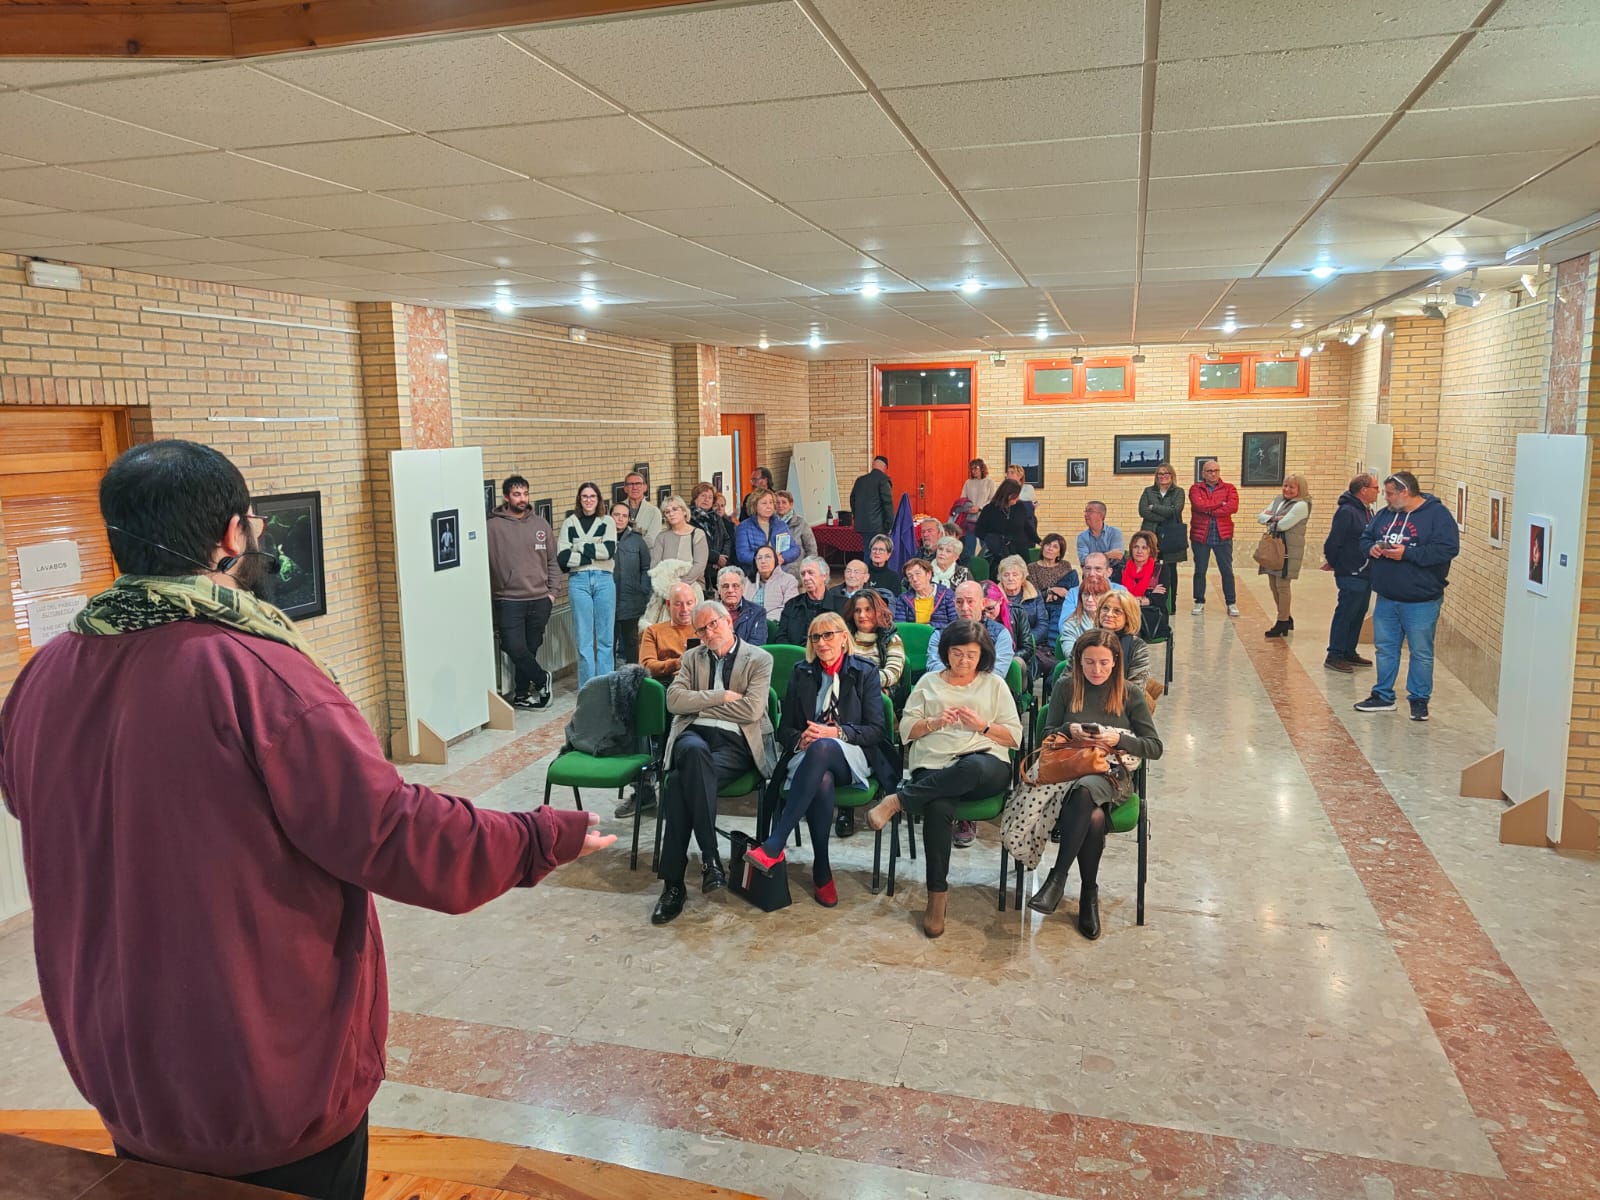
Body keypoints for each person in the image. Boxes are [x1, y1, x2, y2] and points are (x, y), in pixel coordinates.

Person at [0, 440, 611, 1199]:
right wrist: (536, 836)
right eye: (253, 523)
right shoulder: (252, 671)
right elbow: (387, 829)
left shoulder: (43, 676)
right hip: (259, 1072)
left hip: (125, 1064)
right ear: (231, 536)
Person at [864, 621, 1021, 938]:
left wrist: (982, 726)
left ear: (983, 656)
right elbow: (906, 732)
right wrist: (933, 723)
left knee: (971, 768)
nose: (964, 661)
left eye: (971, 655)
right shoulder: (928, 682)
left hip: (984, 764)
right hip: (934, 764)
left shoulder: (994, 685)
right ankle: (937, 896)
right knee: (937, 808)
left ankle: (900, 800)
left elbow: (1014, 737)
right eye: (957, 653)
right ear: (946, 652)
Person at [1014, 628, 1163, 940]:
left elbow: (1154, 747)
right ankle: (1088, 895)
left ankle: (1057, 878)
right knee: (1093, 817)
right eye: (1089, 663)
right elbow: (1048, 733)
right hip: (1069, 768)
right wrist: (1072, 730)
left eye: (1104, 663)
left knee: (1086, 792)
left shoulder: (1130, 694)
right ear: (1078, 662)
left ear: (1116, 663)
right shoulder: (1067, 686)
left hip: (1112, 774)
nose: (1097, 670)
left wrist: (1117, 737)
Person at [744, 612, 894, 904]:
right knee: (822, 777)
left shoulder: (864, 671)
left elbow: (876, 730)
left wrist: (835, 732)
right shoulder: (802, 672)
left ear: (843, 637)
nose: (822, 642)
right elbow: (784, 728)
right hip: (807, 755)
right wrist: (800, 738)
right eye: (816, 637)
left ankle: (775, 843)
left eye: (828, 635)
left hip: (852, 754)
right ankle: (822, 869)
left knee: (824, 747)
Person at [651, 601, 775, 924]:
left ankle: (673, 886)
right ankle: (710, 857)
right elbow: (674, 701)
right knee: (691, 753)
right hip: (694, 736)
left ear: (728, 621)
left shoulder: (760, 659)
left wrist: (698, 704)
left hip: (736, 744)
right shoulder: (692, 658)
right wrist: (719, 697)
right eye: (702, 629)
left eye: (713, 624)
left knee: (679, 785)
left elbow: (751, 711)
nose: (709, 633)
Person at [1354, 471, 1461, 722]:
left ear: (1405, 492)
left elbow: (1447, 549)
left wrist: (1407, 554)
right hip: (1387, 596)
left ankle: (1419, 699)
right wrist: (1372, 548)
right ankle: (1383, 695)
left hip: (1421, 599)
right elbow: (1366, 537)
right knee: (1385, 648)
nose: (1385, 498)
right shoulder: (1386, 514)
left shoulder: (1437, 515)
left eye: (1390, 493)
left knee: (1420, 651)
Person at [487, 473, 556, 710]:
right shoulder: (492, 527)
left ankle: (520, 694)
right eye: (517, 494)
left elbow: (552, 562)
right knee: (514, 646)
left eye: (525, 493)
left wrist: (552, 593)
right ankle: (541, 679)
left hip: (539, 599)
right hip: (508, 600)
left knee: (529, 649)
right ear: (506, 497)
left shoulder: (540, 525)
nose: (522, 498)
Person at [557, 481, 617, 688]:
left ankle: (605, 687)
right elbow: (563, 558)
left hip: (603, 580)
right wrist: (593, 552)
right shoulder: (570, 523)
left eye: (592, 496)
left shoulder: (607, 521)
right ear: (579, 499)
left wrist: (579, 546)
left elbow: (608, 551)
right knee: (584, 641)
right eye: (585, 497)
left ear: (598, 499)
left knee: (605, 639)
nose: (588, 500)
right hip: (579, 582)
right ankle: (588, 689)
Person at [1322, 473, 1379, 673]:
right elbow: (1333, 541)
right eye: (1375, 487)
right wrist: (1339, 564)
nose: (1377, 491)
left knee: (1358, 612)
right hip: (1351, 572)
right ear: (1363, 490)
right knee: (1346, 612)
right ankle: (1335, 653)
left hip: (1365, 572)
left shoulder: (1367, 511)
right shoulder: (1347, 511)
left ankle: (1349, 651)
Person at [1257, 473, 1312, 639]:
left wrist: (1272, 519)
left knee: (1282, 585)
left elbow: (1283, 525)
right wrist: (1274, 517)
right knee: (1273, 583)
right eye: (1285, 486)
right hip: (1274, 548)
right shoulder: (1279, 500)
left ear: (1300, 489)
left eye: (1292, 487)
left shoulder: (1302, 505)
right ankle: (1286, 616)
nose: (1287, 490)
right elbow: (1260, 517)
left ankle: (1282, 621)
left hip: (1288, 549)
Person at [928, 580, 1015, 683]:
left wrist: (967, 684)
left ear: (983, 603)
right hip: (947, 690)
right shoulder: (940, 634)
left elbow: (997, 673)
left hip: (984, 692)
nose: (964, 608)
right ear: (954, 604)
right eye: (959, 602)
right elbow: (935, 668)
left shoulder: (1001, 634)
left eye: (970, 601)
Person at [1189, 458, 1240, 617]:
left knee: (1226, 570)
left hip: (1222, 536)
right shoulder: (1195, 488)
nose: (1213, 474)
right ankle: (1199, 601)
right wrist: (1220, 504)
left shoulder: (1229, 488)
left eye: (1215, 471)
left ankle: (1231, 603)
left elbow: (1233, 507)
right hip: (1201, 536)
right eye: (1209, 471)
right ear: (1203, 473)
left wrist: (1210, 509)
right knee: (1200, 570)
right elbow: (1199, 506)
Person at [1056, 552, 1129, 653]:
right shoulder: (1074, 592)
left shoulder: (1121, 591)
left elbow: (1129, 624)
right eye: (1088, 568)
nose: (1092, 573)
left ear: (1109, 572)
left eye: (1098, 569)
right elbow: (1064, 626)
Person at [611, 501, 652, 666]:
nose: (620, 519)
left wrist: (643, 589)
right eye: (616, 515)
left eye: (624, 516)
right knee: (608, 642)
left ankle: (633, 675)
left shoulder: (637, 541)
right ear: (610, 516)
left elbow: (646, 567)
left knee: (631, 641)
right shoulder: (602, 539)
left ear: (629, 519)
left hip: (632, 599)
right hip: (608, 599)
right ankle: (609, 677)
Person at [1138, 461, 1187, 597]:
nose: (1162, 476)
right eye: (1160, 474)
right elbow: (1143, 511)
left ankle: (1171, 601)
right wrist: (1165, 515)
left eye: (1166, 473)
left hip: (1170, 536)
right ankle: (1150, 596)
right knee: (1150, 567)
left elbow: (1176, 511)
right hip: (1151, 534)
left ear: (1171, 475)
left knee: (1170, 569)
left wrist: (1153, 507)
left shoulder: (1178, 492)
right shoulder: (1148, 491)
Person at [996, 555, 1050, 678]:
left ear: (1023, 577)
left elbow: (1042, 624)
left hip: (1031, 645)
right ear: (1000, 578)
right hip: (1001, 646)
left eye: (1015, 575)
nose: (1010, 578)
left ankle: (1023, 693)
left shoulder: (1034, 595)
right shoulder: (994, 597)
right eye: (1006, 575)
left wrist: (1028, 641)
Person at [846, 589, 906, 700]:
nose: (862, 615)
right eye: (857, 611)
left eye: (868, 610)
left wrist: (861, 681)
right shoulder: (844, 637)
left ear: (878, 611)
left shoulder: (892, 638)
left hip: (876, 691)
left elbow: (892, 674)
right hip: (847, 690)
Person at [640, 582, 698, 682]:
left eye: (689, 603)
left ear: (695, 603)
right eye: (678, 604)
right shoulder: (653, 631)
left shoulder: (706, 629)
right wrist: (676, 663)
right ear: (668, 604)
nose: (685, 609)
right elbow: (646, 665)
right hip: (667, 683)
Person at [652, 494, 709, 595]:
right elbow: (655, 565)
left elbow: (699, 565)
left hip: (692, 588)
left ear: (684, 511)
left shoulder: (697, 534)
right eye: (667, 512)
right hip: (666, 591)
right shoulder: (661, 537)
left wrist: (681, 585)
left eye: (675, 509)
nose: (671, 514)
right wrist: (666, 586)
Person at [1095, 591, 1150, 689]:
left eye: (1117, 611)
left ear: (1128, 617)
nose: (1109, 614)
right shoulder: (1085, 640)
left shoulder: (1137, 646)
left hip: (1122, 701)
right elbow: (1069, 678)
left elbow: (1136, 690)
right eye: (1105, 608)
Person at [736, 487, 799, 573]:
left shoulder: (781, 525)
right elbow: (742, 555)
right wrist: (765, 559)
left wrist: (781, 558)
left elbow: (794, 549)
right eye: (764, 503)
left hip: (780, 572)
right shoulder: (744, 527)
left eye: (771, 502)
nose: (769, 506)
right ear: (754, 505)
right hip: (755, 575)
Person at [1119, 530, 1168, 640]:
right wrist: (1148, 595)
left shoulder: (1160, 569)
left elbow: (1160, 598)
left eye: (1144, 548)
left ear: (1151, 550)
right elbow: (1117, 595)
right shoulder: (1122, 569)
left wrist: (1134, 601)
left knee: (1128, 630)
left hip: (1151, 616)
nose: (1139, 551)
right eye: (1136, 547)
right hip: (1125, 614)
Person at [983, 580, 1033, 684]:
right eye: (982, 610)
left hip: (1013, 658)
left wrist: (1005, 656)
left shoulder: (1017, 612)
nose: (986, 614)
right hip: (984, 662)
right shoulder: (974, 617)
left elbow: (1027, 648)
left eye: (990, 609)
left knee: (1016, 663)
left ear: (1000, 601)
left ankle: (1016, 696)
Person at [690, 481, 737, 592]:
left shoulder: (716, 517)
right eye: (703, 496)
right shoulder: (688, 519)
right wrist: (716, 558)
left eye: (710, 497)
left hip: (718, 570)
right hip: (700, 570)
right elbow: (693, 544)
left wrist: (723, 557)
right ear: (695, 498)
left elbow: (727, 538)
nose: (706, 499)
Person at [1028, 534, 1078, 637]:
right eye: (1047, 545)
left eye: (1055, 547)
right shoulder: (1032, 568)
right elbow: (1033, 594)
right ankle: (1053, 644)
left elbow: (1069, 586)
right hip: (1044, 604)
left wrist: (1060, 593)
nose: (1050, 548)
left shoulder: (1065, 565)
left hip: (1064, 600)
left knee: (1073, 575)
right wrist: (1051, 590)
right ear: (1043, 548)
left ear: (1059, 552)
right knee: (1058, 608)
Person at [777, 556, 835, 645]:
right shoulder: (791, 605)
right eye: (803, 574)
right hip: (796, 657)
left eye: (811, 573)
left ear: (824, 576)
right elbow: (781, 637)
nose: (806, 578)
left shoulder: (841, 605)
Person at [975, 478, 1034, 564]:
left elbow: (1027, 526)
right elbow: (979, 531)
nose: (1018, 498)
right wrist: (993, 541)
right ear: (1008, 495)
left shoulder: (1020, 506)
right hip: (997, 554)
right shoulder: (989, 509)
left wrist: (1038, 540)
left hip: (1019, 552)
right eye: (1016, 495)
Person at [894, 557, 957, 628]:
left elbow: (954, 623)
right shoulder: (903, 599)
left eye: (918, 574)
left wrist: (929, 628)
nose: (914, 579)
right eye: (910, 576)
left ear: (928, 574)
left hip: (941, 636)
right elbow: (900, 626)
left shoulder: (947, 595)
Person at [718, 565, 768, 646]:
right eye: (725, 586)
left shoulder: (757, 612)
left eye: (735, 586)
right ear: (719, 589)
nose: (730, 590)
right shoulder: (709, 612)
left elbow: (757, 645)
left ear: (743, 588)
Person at [744, 544, 798, 619]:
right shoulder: (747, 582)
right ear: (755, 563)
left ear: (776, 560)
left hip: (775, 624)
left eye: (768, 557)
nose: (763, 561)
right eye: (759, 558)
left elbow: (790, 608)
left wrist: (763, 621)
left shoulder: (788, 580)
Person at [850, 454, 894, 537]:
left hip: (862, 525)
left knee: (868, 548)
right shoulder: (883, 480)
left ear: (873, 465)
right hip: (878, 527)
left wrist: (857, 517)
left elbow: (852, 500)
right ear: (884, 467)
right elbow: (887, 504)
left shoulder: (860, 480)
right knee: (879, 549)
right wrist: (889, 525)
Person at [774, 490, 817, 574]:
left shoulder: (801, 523)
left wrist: (809, 567)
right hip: (775, 568)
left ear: (791, 504)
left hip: (796, 569)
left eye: (784, 502)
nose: (780, 505)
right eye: (777, 503)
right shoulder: (770, 522)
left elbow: (811, 548)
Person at [1076, 501, 1124, 569]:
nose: (1086, 514)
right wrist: (1108, 555)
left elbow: (1118, 556)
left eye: (1090, 511)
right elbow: (1084, 561)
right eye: (1085, 511)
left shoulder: (1115, 532)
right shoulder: (1082, 537)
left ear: (1101, 515)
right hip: (1091, 574)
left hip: (1112, 572)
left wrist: (1092, 558)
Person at [623, 470, 662, 545]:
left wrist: (628, 546)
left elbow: (651, 540)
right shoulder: (617, 509)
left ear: (645, 487)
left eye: (638, 484)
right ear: (625, 488)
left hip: (644, 555)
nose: (634, 487)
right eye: (630, 484)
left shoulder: (654, 512)